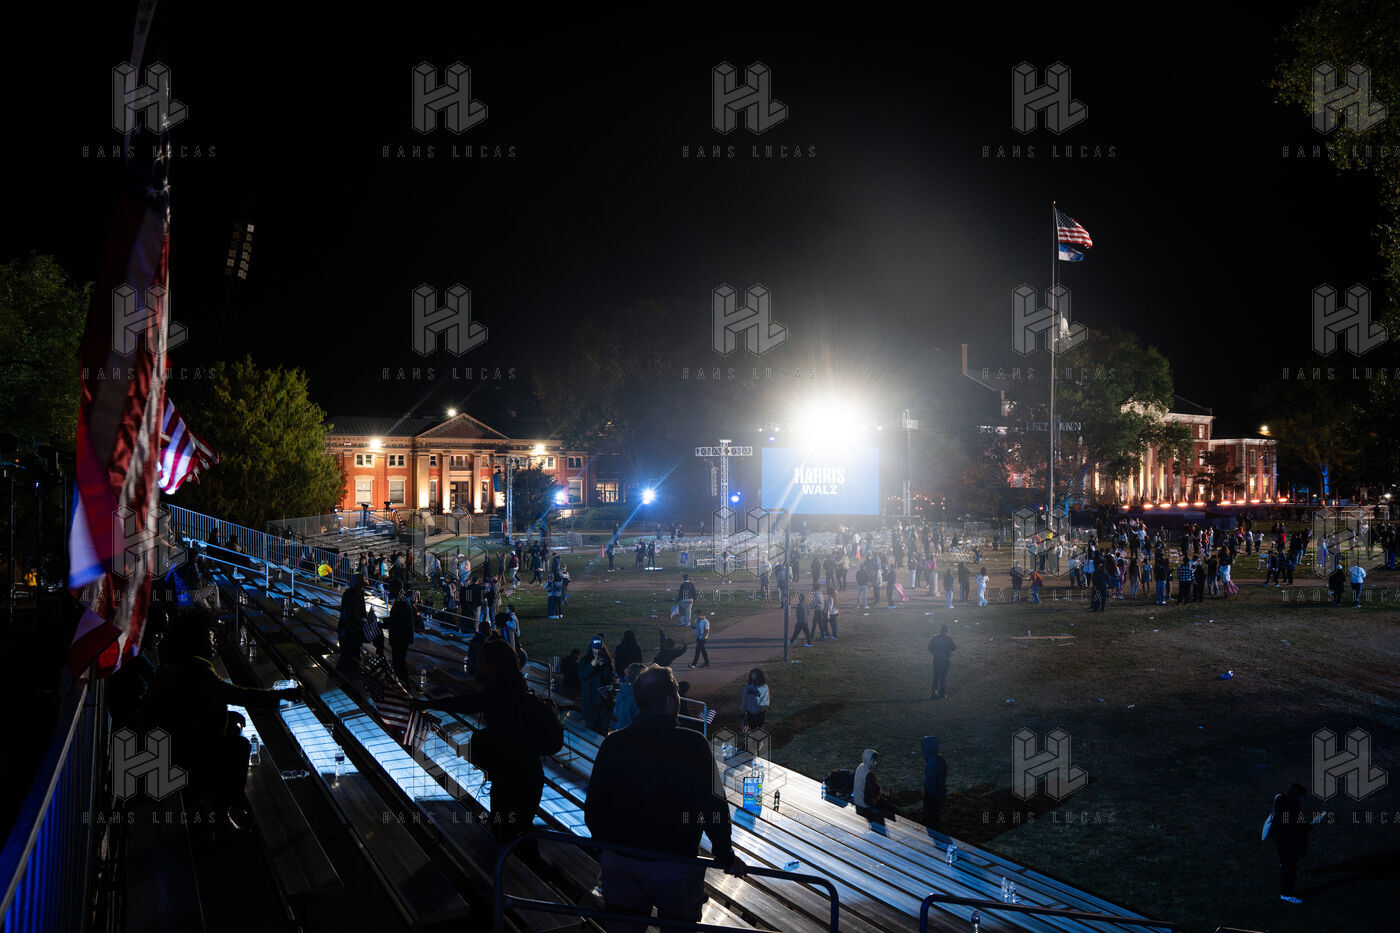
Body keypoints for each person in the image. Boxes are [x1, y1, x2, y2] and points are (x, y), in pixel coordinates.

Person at [585, 666, 746, 931]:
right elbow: (714, 807)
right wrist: (725, 856)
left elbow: (594, 808)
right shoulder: (694, 744)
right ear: (671, 701)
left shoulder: (614, 743)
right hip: (676, 865)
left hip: (621, 861)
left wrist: (606, 850)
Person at [145, 610, 300, 836]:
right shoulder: (198, 670)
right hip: (185, 754)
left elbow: (198, 704)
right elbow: (236, 694)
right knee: (240, 747)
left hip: (171, 746)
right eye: (209, 634)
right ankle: (224, 812)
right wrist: (281, 695)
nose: (213, 639)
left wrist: (228, 716)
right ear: (196, 640)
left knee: (234, 734)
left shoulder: (177, 665)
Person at [417, 638, 545, 854]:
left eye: (481, 661)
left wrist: (429, 704)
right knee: (520, 831)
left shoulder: (498, 696)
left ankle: (517, 871)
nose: (477, 665)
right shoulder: (515, 693)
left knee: (510, 834)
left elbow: (466, 703)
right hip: (526, 777)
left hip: (512, 780)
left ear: (493, 666)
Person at [1270, 782, 1312, 904]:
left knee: (1285, 862)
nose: (1304, 799)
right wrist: (1312, 824)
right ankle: (1286, 894)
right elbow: (1298, 829)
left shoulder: (1280, 799)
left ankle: (1283, 864)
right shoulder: (1292, 809)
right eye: (1302, 796)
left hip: (1279, 838)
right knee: (1289, 869)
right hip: (1289, 843)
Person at [579, 636, 616, 733]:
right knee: (591, 728)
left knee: (603, 728)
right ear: (591, 648)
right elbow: (581, 676)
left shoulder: (606, 661)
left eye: (600, 649)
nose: (598, 651)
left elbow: (611, 678)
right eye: (595, 648)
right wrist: (591, 666)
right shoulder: (585, 660)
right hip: (590, 701)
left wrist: (611, 686)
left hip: (604, 700)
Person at [852, 749, 898, 821]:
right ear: (868, 760)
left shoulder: (860, 766)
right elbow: (875, 792)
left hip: (857, 800)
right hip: (864, 803)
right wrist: (880, 792)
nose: (876, 763)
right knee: (890, 807)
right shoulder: (869, 774)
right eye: (873, 761)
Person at [337, 573, 371, 671]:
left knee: (355, 653)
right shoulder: (348, 594)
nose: (361, 586)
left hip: (356, 629)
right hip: (347, 630)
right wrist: (359, 620)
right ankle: (343, 672)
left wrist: (365, 618)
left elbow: (362, 609)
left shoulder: (360, 593)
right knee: (347, 654)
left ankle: (354, 670)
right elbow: (348, 613)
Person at [386, 579, 416, 682]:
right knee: (399, 661)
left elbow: (398, 620)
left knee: (399, 662)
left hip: (400, 638)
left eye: (391, 588)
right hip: (401, 637)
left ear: (397, 588)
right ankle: (402, 681)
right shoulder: (401, 599)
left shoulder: (401, 601)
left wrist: (385, 624)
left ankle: (403, 682)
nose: (390, 591)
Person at [921, 735, 948, 830]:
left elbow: (931, 784)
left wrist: (929, 800)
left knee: (931, 822)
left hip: (933, 797)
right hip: (939, 795)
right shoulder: (940, 759)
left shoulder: (932, 762)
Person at [613, 663, 644, 731]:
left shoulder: (623, 690)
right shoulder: (638, 694)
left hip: (619, 727)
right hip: (632, 731)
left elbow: (617, 711)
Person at [928, 624, 956, 699]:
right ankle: (941, 693)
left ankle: (933, 693)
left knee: (936, 676)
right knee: (943, 677)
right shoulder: (948, 639)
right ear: (946, 631)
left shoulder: (935, 638)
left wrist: (935, 653)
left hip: (936, 659)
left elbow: (930, 648)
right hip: (945, 660)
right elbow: (954, 647)